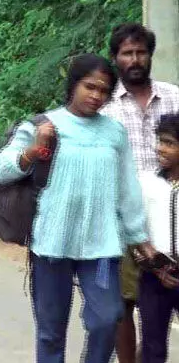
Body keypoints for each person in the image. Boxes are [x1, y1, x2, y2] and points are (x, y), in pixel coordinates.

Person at [0, 53, 157, 363]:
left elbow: (127, 188)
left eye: (104, 90)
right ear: (73, 85)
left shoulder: (114, 132)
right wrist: (31, 151)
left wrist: (139, 236)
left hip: (102, 246)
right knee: (51, 331)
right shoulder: (45, 125)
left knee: (108, 318)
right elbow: (0, 170)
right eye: (89, 87)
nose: (96, 96)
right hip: (51, 243)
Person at [99, 23, 179, 363]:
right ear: (116, 58)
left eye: (141, 52)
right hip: (125, 219)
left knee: (159, 301)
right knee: (125, 301)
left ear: (150, 55)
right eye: (127, 53)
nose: (135, 59)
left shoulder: (174, 95)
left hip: (172, 214)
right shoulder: (105, 109)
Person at [138, 114, 179, 363]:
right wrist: (153, 265)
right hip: (155, 275)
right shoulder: (147, 182)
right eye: (159, 141)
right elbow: (136, 228)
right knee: (153, 346)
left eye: (169, 143)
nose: (160, 148)